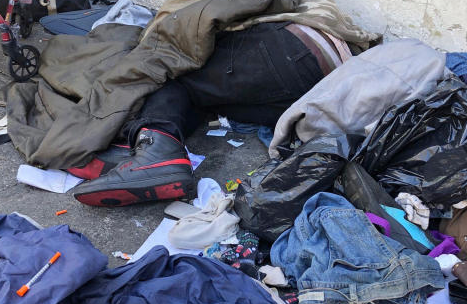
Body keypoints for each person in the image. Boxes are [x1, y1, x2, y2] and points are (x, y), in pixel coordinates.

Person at [69, 21, 353, 207]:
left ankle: (155, 150)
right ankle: (145, 147)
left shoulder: (164, 29)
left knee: (168, 72)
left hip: (297, 49)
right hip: (320, 86)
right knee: (204, 99)